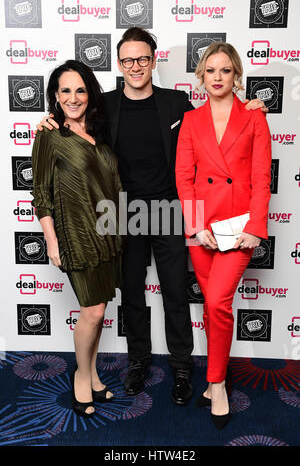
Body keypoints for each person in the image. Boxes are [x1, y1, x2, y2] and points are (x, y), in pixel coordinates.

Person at [36, 28, 266, 406]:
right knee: (132, 294)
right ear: (120, 64)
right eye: (128, 60)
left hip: (176, 209)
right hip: (121, 212)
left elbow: (217, 123)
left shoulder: (177, 103)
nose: (136, 66)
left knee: (176, 292)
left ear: (154, 59)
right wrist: (48, 121)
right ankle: (138, 362)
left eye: (143, 59)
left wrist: (251, 106)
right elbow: (71, 126)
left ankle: (180, 367)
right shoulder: (104, 106)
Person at [175, 41, 271, 428]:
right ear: (201, 76)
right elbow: (184, 177)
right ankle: (216, 381)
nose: (218, 77)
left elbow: (262, 178)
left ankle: (217, 383)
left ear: (236, 75)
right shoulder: (191, 121)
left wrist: (255, 228)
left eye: (225, 70)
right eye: (211, 70)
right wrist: (196, 227)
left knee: (217, 302)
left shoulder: (254, 117)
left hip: (239, 228)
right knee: (214, 308)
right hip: (204, 230)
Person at [31, 60, 123, 418]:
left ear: (90, 93)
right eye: (65, 90)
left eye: (80, 90)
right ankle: (82, 377)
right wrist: (52, 241)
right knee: (92, 311)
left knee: (99, 314)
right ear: (55, 95)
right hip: (75, 236)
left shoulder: (101, 131)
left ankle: (93, 374)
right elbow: (40, 193)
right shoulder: (49, 136)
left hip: (109, 235)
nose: (73, 97)